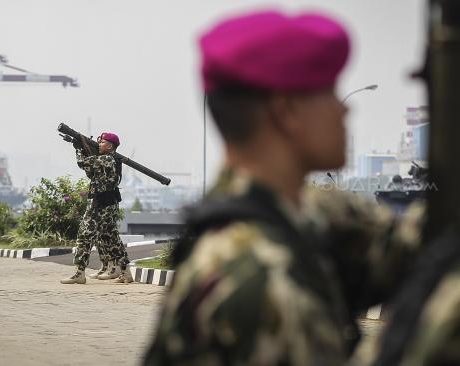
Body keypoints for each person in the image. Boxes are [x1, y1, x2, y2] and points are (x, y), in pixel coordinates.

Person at [144, 10, 424, 365]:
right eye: (329, 92)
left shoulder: (279, 213)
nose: (343, 111)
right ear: (287, 110)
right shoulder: (262, 281)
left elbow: (411, 244)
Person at [61, 132, 133, 284]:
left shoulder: (106, 158)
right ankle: (126, 272)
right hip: (106, 204)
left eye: (102, 142)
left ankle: (79, 273)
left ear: (110, 146)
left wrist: (79, 149)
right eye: (98, 141)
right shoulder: (109, 159)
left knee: (84, 236)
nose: (99, 143)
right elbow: (91, 173)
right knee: (111, 239)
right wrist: (83, 148)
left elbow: (83, 163)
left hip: (100, 205)